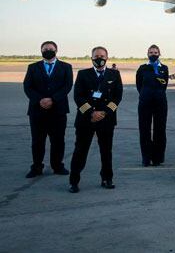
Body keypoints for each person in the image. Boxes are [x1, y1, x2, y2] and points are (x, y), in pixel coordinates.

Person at [68, 46, 123, 193]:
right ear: (91, 58)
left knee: (106, 151)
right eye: (96, 56)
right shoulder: (83, 74)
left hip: (106, 119)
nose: (99, 58)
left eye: (102, 56)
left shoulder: (114, 74)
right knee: (80, 150)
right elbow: (78, 97)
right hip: (86, 119)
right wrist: (91, 112)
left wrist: (104, 112)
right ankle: (74, 181)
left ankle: (107, 178)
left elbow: (117, 97)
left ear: (107, 57)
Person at [23, 41, 73, 178]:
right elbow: (27, 86)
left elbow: (67, 86)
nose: (48, 50)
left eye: (51, 49)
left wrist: (53, 99)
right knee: (37, 141)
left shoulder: (66, 67)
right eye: (45, 49)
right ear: (41, 51)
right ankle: (37, 167)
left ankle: (57, 166)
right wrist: (40, 99)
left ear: (56, 50)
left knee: (58, 140)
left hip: (58, 111)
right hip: (37, 110)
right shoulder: (33, 67)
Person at [135, 45, 169, 167]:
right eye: (151, 52)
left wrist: (157, 95)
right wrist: (146, 95)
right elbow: (139, 85)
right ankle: (146, 157)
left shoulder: (164, 68)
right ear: (147, 54)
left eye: (155, 52)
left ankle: (158, 157)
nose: (153, 54)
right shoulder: (142, 68)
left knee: (160, 130)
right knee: (144, 130)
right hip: (145, 102)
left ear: (159, 53)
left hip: (160, 103)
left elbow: (164, 85)